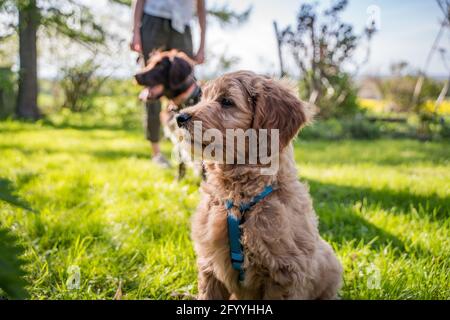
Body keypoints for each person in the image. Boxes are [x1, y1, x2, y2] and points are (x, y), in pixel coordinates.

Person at [131, 0, 206, 167]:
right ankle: (157, 153)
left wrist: (202, 45)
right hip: (153, 20)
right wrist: (135, 31)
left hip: (183, 26)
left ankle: (197, 154)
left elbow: (201, 6)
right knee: (152, 88)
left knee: (189, 90)